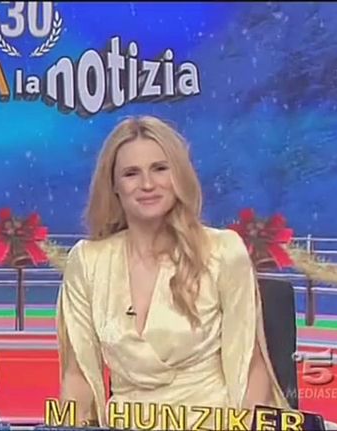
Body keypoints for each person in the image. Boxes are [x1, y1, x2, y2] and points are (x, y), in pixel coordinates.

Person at [57, 116, 289, 429]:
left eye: (159, 168)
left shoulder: (223, 252)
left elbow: (250, 368)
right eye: (131, 173)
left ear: (178, 174)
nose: (147, 184)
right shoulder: (87, 262)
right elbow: (78, 376)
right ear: (113, 185)